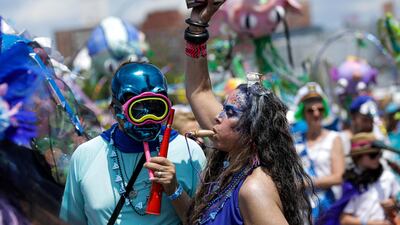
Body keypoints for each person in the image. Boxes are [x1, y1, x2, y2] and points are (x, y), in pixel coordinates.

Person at [183, 1, 312, 224]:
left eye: (230, 112)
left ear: (253, 131)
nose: (217, 116)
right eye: (224, 109)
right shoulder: (235, 163)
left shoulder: (254, 188)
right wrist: (198, 25)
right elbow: (200, 91)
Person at [59, 61, 206, 225]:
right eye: (137, 109)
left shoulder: (189, 152)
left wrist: (175, 190)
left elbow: (205, 221)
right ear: (115, 110)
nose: (148, 118)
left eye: (156, 108)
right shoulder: (85, 155)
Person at [293, 82, 345, 221]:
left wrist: (306, 183)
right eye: (311, 110)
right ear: (303, 113)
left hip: (327, 207)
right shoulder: (295, 142)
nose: (316, 114)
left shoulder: (334, 138)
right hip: (303, 210)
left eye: (320, 109)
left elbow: (339, 177)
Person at [339, 133, 399, 225]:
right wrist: (371, 223)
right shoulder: (350, 182)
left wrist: (393, 203)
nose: (378, 157)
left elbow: (395, 201)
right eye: (373, 154)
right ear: (358, 157)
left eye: (380, 153)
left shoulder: (388, 177)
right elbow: (344, 219)